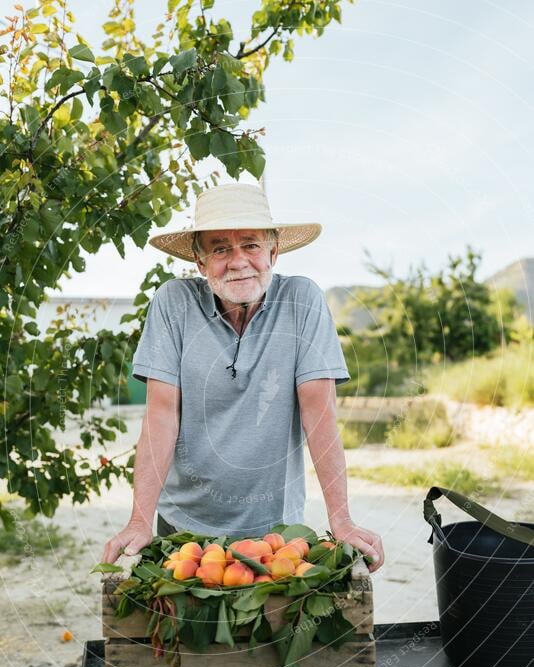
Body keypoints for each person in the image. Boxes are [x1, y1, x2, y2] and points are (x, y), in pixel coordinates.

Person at [101, 182, 384, 571]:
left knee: (275, 628)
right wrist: (139, 519)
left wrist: (341, 519)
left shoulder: (303, 301)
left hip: (276, 532)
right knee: (182, 631)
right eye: (220, 248)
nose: (237, 261)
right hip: (183, 529)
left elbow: (319, 413)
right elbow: (160, 416)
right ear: (200, 263)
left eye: (250, 245)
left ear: (273, 252)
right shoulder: (173, 303)